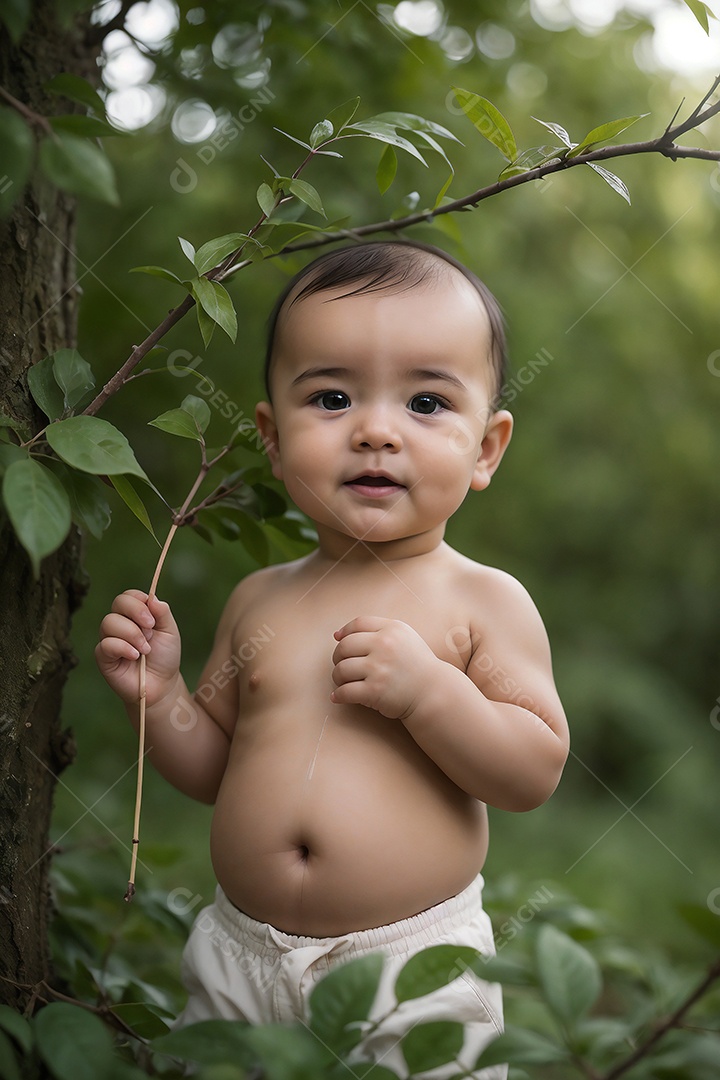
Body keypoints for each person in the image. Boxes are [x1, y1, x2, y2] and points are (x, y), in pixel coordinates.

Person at [96, 240, 569, 1079]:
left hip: (407, 966)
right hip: (239, 957)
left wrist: (431, 694)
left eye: (426, 402)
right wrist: (158, 694)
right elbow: (213, 768)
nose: (376, 431)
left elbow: (532, 770)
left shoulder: (483, 601)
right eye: (333, 397)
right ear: (273, 441)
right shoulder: (260, 601)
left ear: (486, 449)